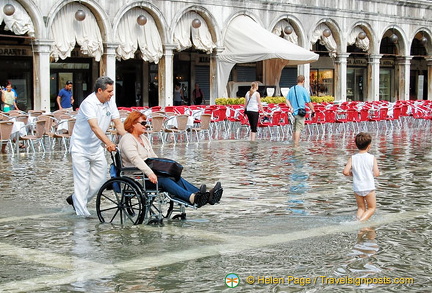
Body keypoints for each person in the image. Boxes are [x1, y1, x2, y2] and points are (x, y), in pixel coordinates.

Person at [118, 111, 223, 207]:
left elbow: (153, 157)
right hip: (137, 176)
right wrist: (150, 173)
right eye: (143, 123)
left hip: (148, 172)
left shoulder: (143, 138)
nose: (146, 126)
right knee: (164, 180)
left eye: (146, 123)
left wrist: (162, 168)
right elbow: (135, 160)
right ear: (133, 123)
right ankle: (192, 198)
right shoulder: (127, 139)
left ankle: (205, 196)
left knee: (174, 176)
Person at [66, 76, 126, 217]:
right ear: (100, 90)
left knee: (100, 180)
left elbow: (117, 123)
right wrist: (109, 143)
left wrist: (129, 138)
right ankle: (82, 214)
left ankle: (77, 200)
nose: (112, 94)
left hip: (96, 147)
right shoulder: (89, 103)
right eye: (109, 91)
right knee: (82, 181)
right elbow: (94, 126)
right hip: (80, 147)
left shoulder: (110, 102)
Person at [343, 132, 380, 222]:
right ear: (369, 145)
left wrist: (352, 174)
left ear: (356, 145)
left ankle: (358, 224)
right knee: (371, 208)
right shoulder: (372, 157)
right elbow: (376, 173)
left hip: (357, 187)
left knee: (361, 208)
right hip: (369, 187)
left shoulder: (353, 158)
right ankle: (360, 223)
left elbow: (345, 172)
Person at [286, 75, 315, 145]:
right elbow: (308, 102)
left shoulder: (292, 89)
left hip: (293, 113)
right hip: (300, 112)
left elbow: (287, 100)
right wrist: (313, 110)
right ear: (303, 81)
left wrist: (291, 107)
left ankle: (293, 142)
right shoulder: (303, 90)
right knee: (298, 129)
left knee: (295, 128)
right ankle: (296, 144)